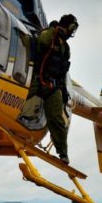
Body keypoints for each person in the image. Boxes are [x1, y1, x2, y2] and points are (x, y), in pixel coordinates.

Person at [28, 14, 79, 164]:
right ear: (68, 27)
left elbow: (63, 72)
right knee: (18, 97)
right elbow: (41, 42)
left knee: (56, 119)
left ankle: (63, 153)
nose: (72, 33)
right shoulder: (49, 34)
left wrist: (63, 92)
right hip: (37, 80)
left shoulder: (66, 47)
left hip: (53, 85)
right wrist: (53, 32)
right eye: (72, 29)